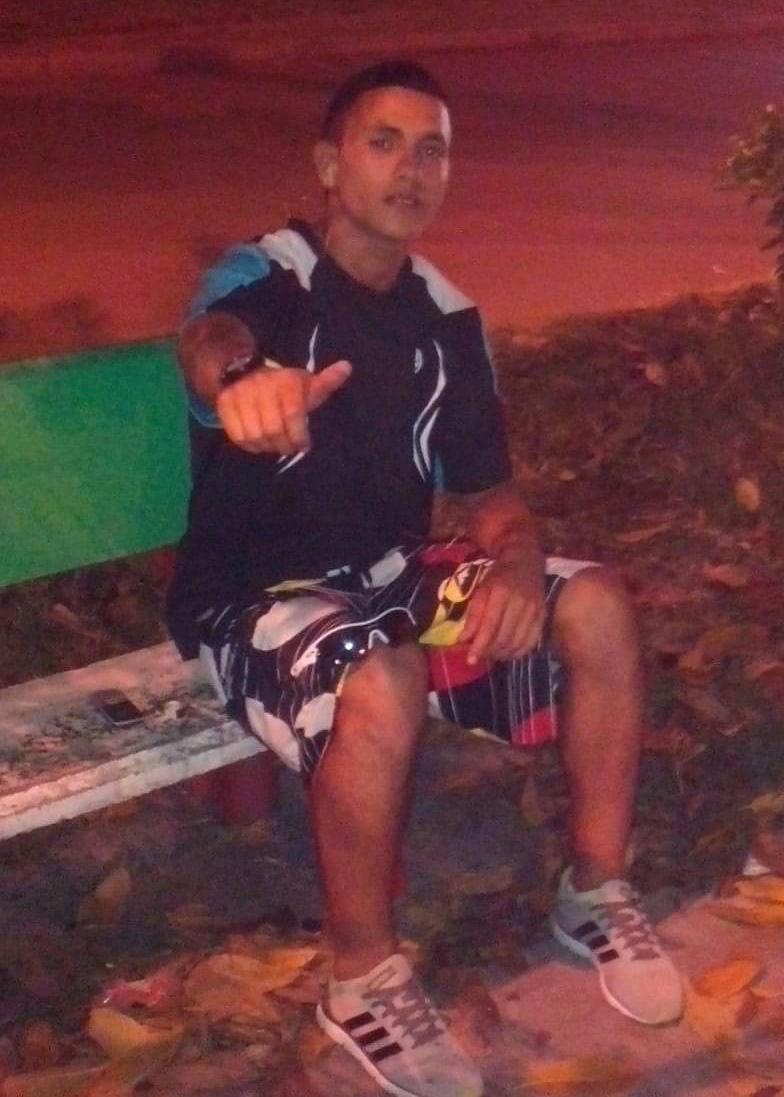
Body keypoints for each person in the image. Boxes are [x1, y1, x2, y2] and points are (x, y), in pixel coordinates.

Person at [167, 60, 682, 1097]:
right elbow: (210, 340)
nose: (410, 169)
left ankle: (594, 890)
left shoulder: (445, 316)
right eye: (383, 142)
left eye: (432, 149)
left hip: (391, 579)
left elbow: (491, 496)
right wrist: (243, 382)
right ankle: (360, 979)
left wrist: (517, 564)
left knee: (593, 604)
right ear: (329, 164)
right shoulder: (267, 276)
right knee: (383, 670)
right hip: (257, 599)